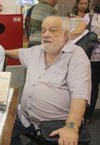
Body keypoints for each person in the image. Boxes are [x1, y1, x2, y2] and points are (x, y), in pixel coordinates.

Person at [6, 16, 91, 145]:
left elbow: (80, 95)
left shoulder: (76, 55)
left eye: (52, 30)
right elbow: (18, 53)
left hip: (56, 122)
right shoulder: (36, 51)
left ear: (66, 34)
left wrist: (71, 127)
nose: (46, 34)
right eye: (43, 30)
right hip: (24, 116)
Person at [70, 2, 100, 124]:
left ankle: (87, 116)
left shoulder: (89, 17)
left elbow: (78, 32)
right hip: (94, 58)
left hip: (93, 57)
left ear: (94, 6)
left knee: (92, 87)